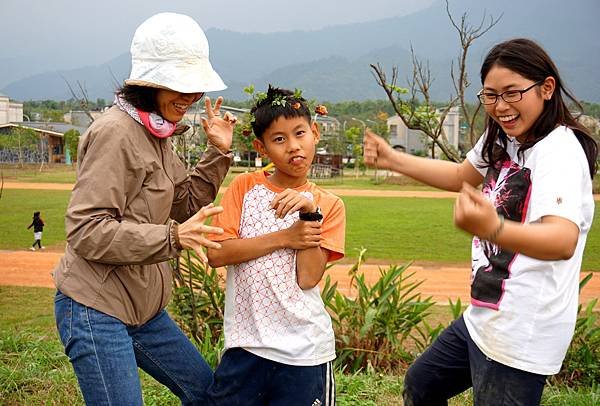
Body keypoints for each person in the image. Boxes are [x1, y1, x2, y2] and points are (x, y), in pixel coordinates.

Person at [363, 38, 597, 406]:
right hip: (485, 317)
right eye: (490, 95)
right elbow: (462, 175)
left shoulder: (560, 152)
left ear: (547, 88)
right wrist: (394, 160)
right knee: (422, 384)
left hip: (522, 331)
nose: (500, 106)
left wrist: (494, 228)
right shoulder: (504, 137)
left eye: (512, 93)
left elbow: (562, 239)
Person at [52, 13, 237, 405]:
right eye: (178, 85)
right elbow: (87, 230)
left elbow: (185, 203)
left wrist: (218, 151)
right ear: (148, 83)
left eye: (195, 86)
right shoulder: (115, 133)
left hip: (144, 310)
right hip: (95, 308)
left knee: (209, 395)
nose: (190, 97)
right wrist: (172, 237)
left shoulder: (157, 133)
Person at [206, 85, 346, 405]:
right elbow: (217, 254)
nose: (293, 147)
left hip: (304, 353)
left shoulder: (329, 204)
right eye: (279, 139)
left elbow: (308, 278)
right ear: (262, 147)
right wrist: (284, 237)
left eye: (300, 133)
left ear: (315, 132)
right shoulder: (245, 187)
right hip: (245, 348)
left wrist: (309, 213)